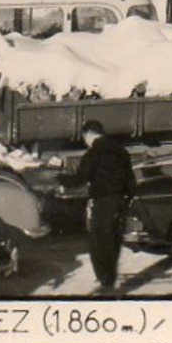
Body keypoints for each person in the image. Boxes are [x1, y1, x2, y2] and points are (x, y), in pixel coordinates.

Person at [58, 121, 137, 295]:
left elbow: (80, 179)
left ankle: (105, 282)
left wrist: (60, 179)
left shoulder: (92, 154)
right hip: (120, 201)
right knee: (114, 240)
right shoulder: (121, 151)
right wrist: (129, 198)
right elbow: (131, 180)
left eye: (84, 138)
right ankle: (110, 277)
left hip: (103, 202)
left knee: (98, 242)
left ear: (89, 135)